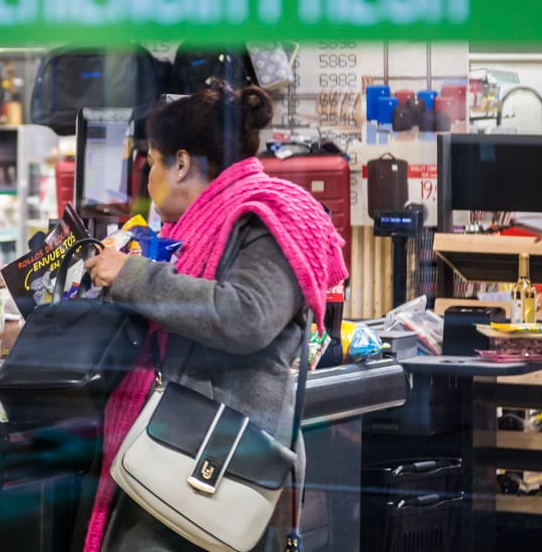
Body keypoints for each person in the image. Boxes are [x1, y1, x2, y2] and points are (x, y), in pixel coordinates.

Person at [80, 81, 347, 551]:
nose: (148, 177)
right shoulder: (194, 229)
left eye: (152, 161)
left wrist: (132, 275)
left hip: (221, 468)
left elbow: (247, 315)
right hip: (177, 451)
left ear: (181, 164)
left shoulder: (266, 217)